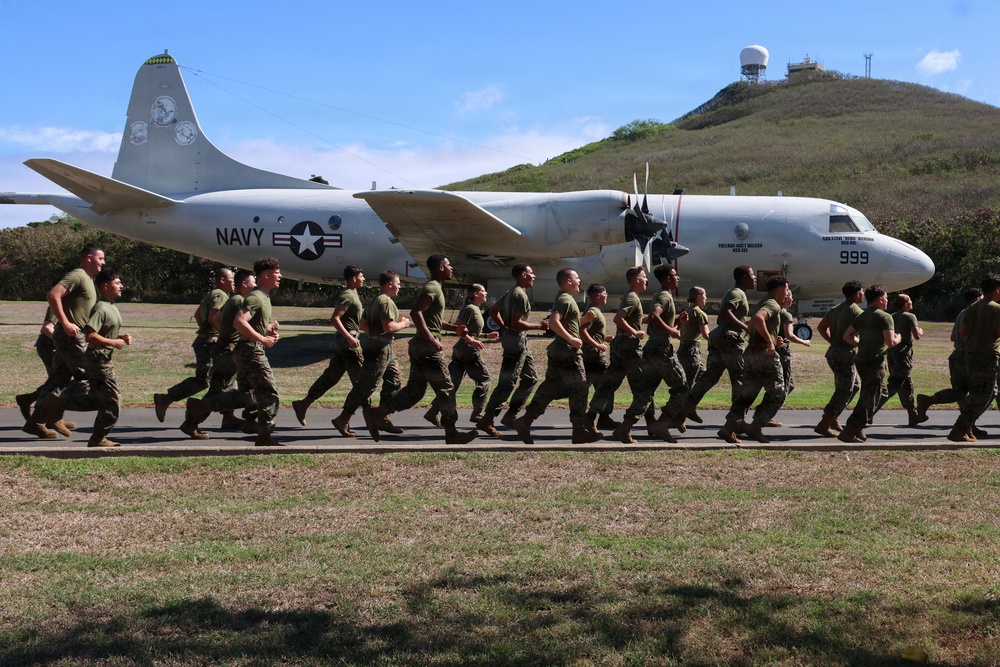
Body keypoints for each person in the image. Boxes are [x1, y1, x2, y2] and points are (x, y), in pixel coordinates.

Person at [365, 254, 477, 444]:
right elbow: (416, 313)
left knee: (415, 391)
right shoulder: (432, 287)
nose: (452, 269)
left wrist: (453, 328)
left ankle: (378, 414)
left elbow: (430, 319)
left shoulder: (435, 288)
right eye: (449, 265)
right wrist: (431, 339)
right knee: (446, 389)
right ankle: (452, 432)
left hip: (420, 345)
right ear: (440, 268)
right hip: (426, 347)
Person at [35, 268, 133, 447]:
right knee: (113, 401)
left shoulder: (112, 307)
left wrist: (120, 337)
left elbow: (104, 333)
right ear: (105, 286)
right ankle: (96, 438)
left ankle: (57, 401)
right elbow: (90, 336)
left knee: (97, 398)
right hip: (98, 360)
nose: (121, 286)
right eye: (117, 283)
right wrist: (113, 343)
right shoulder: (101, 308)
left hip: (103, 358)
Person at [23, 243, 106, 439]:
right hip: (70, 337)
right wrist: (66, 323)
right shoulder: (77, 275)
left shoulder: (88, 279)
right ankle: (56, 415)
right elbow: (53, 295)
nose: (103, 263)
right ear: (88, 258)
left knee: (58, 380)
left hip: (70, 337)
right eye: (100, 258)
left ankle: (36, 422)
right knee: (87, 375)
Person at [512, 269, 602, 444]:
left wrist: (584, 320)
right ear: (568, 281)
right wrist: (572, 339)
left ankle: (525, 421)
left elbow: (570, 323)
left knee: (551, 388)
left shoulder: (566, 299)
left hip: (559, 349)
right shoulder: (565, 299)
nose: (579, 280)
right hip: (567, 350)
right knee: (580, 388)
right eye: (576, 278)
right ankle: (578, 431)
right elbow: (554, 322)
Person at [181, 269, 258, 439]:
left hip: (222, 349)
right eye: (253, 282)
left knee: (216, 389)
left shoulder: (233, 299)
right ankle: (196, 411)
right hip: (227, 350)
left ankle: (192, 421)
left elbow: (218, 319)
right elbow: (222, 320)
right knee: (247, 389)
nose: (256, 285)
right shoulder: (238, 300)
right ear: (244, 284)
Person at [332, 270, 411, 437]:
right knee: (366, 386)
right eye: (398, 284)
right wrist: (403, 323)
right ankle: (343, 418)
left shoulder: (375, 300)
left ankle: (382, 417)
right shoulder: (385, 301)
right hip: (379, 349)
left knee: (394, 381)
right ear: (390, 284)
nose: (399, 287)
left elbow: (362, 323)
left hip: (383, 346)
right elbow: (388, 327)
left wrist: (374, 334)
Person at [617, 264, 688, 443]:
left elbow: (658, 320)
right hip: (661, 349)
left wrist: (677, 322)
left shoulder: (662, 295)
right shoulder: (664, 295)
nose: (677, 277)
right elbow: (655, 316)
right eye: (675, 275)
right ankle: (662, 424)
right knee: (682, 388)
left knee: (645, 392)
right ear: (668, 279)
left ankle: (624, 428)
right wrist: (671, 331)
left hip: (652, 349)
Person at [154, 268, 236, 425]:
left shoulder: (212, 294)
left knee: (225, 377)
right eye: (231, 279)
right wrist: (221, 336)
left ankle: (228, 417)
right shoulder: (220, 295)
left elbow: (198, 315)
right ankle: (166, 398)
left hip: (207, 340)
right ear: (222, 280)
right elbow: (213, 318)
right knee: (204, 379)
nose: (233, 282)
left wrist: (205, 331)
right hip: (209, 344)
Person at [717, 275, 792, 444]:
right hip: (764, 355)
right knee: (778, 391)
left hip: (752, 352)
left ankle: (728, 428)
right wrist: (768, 342)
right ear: (779, 290)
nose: (787, 294)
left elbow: (752, 325)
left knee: (747, 393)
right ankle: (756, 427)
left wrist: (772, 338)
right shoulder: (772, 303)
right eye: (786, 290)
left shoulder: (761, 301)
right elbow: (758, 319)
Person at [477, 264, 549, 436]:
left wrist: (504, 328)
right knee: (507, 383)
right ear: (524, 275)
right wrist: (539, 325)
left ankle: (511, 415)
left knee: (531, 378)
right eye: (532, 273)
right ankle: (487, 419)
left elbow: (494, 311)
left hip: (516, 339)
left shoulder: (511, 292)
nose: (534, 276)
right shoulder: (519, 295)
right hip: (516, 341)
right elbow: (517, 323)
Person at [291, 265, 366, 426]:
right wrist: (349, 338)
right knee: (363, 383)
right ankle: (364, 419)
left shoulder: (353, 294)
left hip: (343, 341)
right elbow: (335, 318)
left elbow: (357, 321)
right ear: (353, 278)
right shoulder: (348, 295)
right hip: (347, 342)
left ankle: (303, 404)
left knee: (331, 377)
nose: (363, 279)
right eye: (361, 276)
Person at [681, 265, 756, 421]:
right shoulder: (737, 293)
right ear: (743, 278)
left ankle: (685, 408)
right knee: (740, 378)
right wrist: (745, 327)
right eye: (751, 275)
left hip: (720, 337)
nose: (754, 277)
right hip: (730, 338)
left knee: (710, 376)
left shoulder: (735, 292)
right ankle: (736, 421)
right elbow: (725, 313)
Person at [424, 283, 499, 427]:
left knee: (452, 384)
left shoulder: (474, 309)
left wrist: (486, 336)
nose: (486, 293)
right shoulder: (471, 309)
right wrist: (472, 341)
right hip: (467, 351)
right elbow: (460, 327)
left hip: (461, 350)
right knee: (484, 380)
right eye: (483, 291)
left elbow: (469, 331)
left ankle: (432, 412)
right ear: (475, 294)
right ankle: (477, 413)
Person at [586, 266, 648, 429]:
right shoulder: (632, 298)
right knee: (642, 386)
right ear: (636, 280)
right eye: (643, 276)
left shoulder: (630, 296)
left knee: (608, 384)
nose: (646, 279)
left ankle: (591, 415)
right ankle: (651, 423)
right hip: (629, 347)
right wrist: (635, 332)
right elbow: (618, 319)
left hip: (620, 345)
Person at [838, 284, 901, 443]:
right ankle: (851, 428)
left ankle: (858, 427)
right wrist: (899, 337)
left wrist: (862, 344)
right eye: (886, 298)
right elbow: (891, 342)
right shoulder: (885, 317)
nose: (887, 301)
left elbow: (847, 336)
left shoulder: (862, 315)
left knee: (882, 393)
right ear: (880, 299)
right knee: (870, 397)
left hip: (861, 358)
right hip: (874, 361)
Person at [233, 257, 283, 447]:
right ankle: (264, 436)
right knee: (269, 392)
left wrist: (268, 330)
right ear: (266, 275)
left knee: (246, 396)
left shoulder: (264, 297)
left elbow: (251, 324)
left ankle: (200, 407)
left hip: (249, 349)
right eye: (277, 273)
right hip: (250, 350)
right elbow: (239, 321)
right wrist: (262, 339)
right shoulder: (255, 297)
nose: (280, 276)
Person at [916, 287, 983, 422]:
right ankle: (968, 423)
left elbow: (953, 337)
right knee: (980, 391)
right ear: (977, 299)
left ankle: (928, 400)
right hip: (967, 356)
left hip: (956, 355)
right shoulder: (975, 313)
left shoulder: (961, 313)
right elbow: (968, 337)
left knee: (959, 391)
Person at [948, 274, 1000, 443]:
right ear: (997, 290)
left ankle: (967, 428)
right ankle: (959, 428)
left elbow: (963, 333)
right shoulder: (995, 309)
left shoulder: (972, 308)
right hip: (988, 356)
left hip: (970, 355)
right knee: (983, 395)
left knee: (981, 393)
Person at [15, 308, 77, 436]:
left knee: (57, 383)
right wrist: (63, 344)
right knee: (58, 383)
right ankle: (44, 419)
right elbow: (47, 328)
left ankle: (30, 402)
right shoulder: (58, 303)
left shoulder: (70, 303)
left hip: (56, 348)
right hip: (50, 347)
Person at [813, 281, 864, 437]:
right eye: (861, 292)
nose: (863, 294)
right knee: (845, 390)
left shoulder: (836, 309)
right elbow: (856, 335)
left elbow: (821, 327)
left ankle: (833, 416)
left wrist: (833, 341)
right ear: (856, 294)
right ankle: (824, 423)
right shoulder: (858, 312)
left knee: (854, 386)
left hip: (834, 352)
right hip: (845, 354)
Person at [874, 293, 925, 425]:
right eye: (910, 300)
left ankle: (912, 415)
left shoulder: (891, 316)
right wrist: (920, 330)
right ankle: (870, 411)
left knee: (906, 384)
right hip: (903, 353)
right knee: (895, 384)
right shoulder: (910, 316)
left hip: (892, 352)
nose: (911, 302)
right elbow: (917, 335)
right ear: (906, 304)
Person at [677, 286, 710, 424]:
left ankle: (690, 409)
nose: (706, 298)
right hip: (691, 351)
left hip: (683, 349)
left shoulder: (686, 312)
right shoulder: (700, 313)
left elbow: (678, 331)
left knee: (704, 377)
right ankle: (679, 416)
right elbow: (706, 335)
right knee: (689, 384)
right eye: (704, 296)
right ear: (698, 297)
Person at [776, 290, 811, 401]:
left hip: (773, 349)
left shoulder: (773, 310)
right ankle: (765, 414)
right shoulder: (786, 314)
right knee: (785, 386)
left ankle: (765, 414)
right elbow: (789, 335)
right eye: (791, 298)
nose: (792, 300)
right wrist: (804, 341)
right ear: (786, 299)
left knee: (787, 385)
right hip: (782, 351)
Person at [580, 284, 611, 394]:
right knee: (604, 384)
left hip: (591, 353)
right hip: (594, 354)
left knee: (587, 384)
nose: (607, 295)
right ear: (598, 296)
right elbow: (582, 332)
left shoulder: (595, 310)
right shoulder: (592, 312)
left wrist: (604, 339)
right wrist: (597, 345)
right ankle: (600, 409)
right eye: (604, 293)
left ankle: (589, 409)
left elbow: (591, 332)